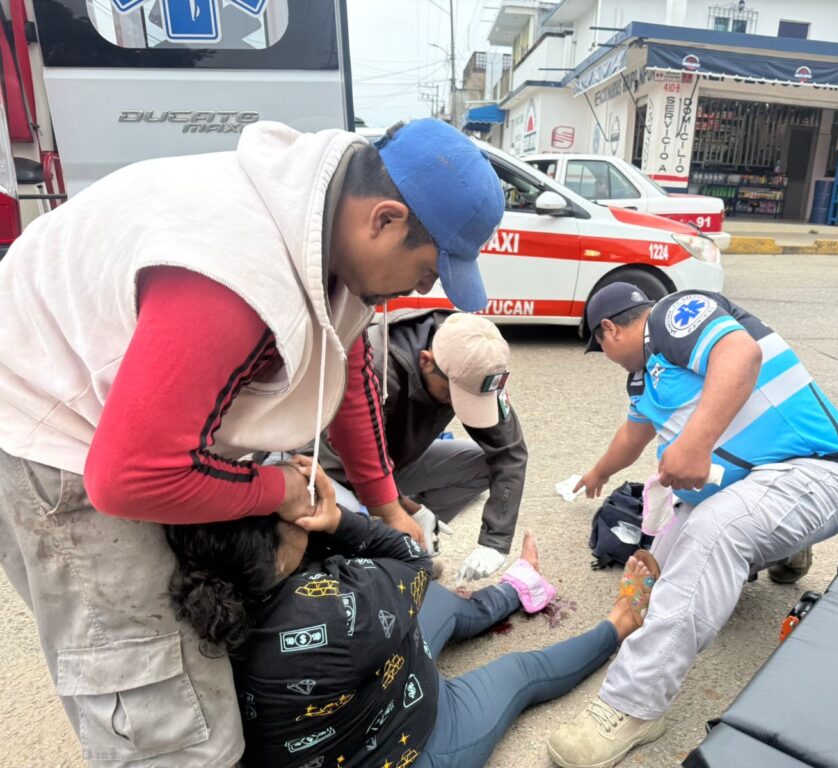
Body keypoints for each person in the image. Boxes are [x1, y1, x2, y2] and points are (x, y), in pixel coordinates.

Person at [0, 118, 503, 767]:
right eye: (428, 267)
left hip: (139, 423)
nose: (427, 290)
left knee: (207, 650)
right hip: (56, 438)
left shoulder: (331, 239)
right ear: (384, 220)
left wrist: (385, 505)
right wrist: (281, 488)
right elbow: (125, 478)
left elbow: (342, 360)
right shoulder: (232, 274)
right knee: (172, 717)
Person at [545, 283, 838, 768]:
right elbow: (632, 435)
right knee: (662, 566)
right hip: (750, 489)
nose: (606, 356)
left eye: (600, 346)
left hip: (815, 471)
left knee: (714, 531)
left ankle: (634, 704)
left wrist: (695, 442)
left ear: (608, 330)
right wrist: (598, 473)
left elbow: (740, 352)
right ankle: (783, 548)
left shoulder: (673, 316)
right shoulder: (644, 380)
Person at [163, 458, 660, 768]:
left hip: (355, 688)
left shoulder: (208, 579)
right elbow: (414, 560)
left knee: (443, 608)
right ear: (275, 554)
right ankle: (619, 624)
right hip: (412, 745)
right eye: (292, 509)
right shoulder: (340, 610)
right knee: (520, 669)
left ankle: (518, 586)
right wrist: (338, 519)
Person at [327, 309, 527, 584]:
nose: (455, 407)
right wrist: (408, 510)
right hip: (328, 470)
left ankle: (409, 546)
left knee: (481, 464)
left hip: (394, 461)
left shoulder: (477, 362)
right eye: (451, 395)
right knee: (341, 546)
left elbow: (510, 453)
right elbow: (349, 463)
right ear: (426, 361)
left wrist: (495, 542)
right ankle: (386, 546)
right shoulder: (377, 369)